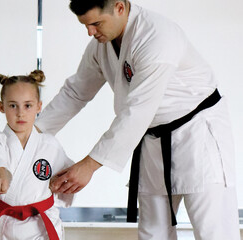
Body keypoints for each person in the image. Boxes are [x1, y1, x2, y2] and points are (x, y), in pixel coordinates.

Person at [35, 0, 240, 240]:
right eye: (86, 25)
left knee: (214, 231)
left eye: (96, 23)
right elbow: (75, 93)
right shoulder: (101, 45)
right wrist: (31, 134)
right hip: (152, 140)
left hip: (197, 136)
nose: (90, 32)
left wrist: (89, 166)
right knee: (153, 233)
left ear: (119, 7)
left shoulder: (157, 36)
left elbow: (137, 111)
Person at [0, 70, 74, 240]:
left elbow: (67, 175)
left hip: (42, 225)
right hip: (7, 226)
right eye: (13, 105)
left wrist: (68, 182)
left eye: (28, 105)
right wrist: (0, 170)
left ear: (39, 106)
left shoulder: (50, 144)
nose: (20, 113)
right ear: (2, 107)